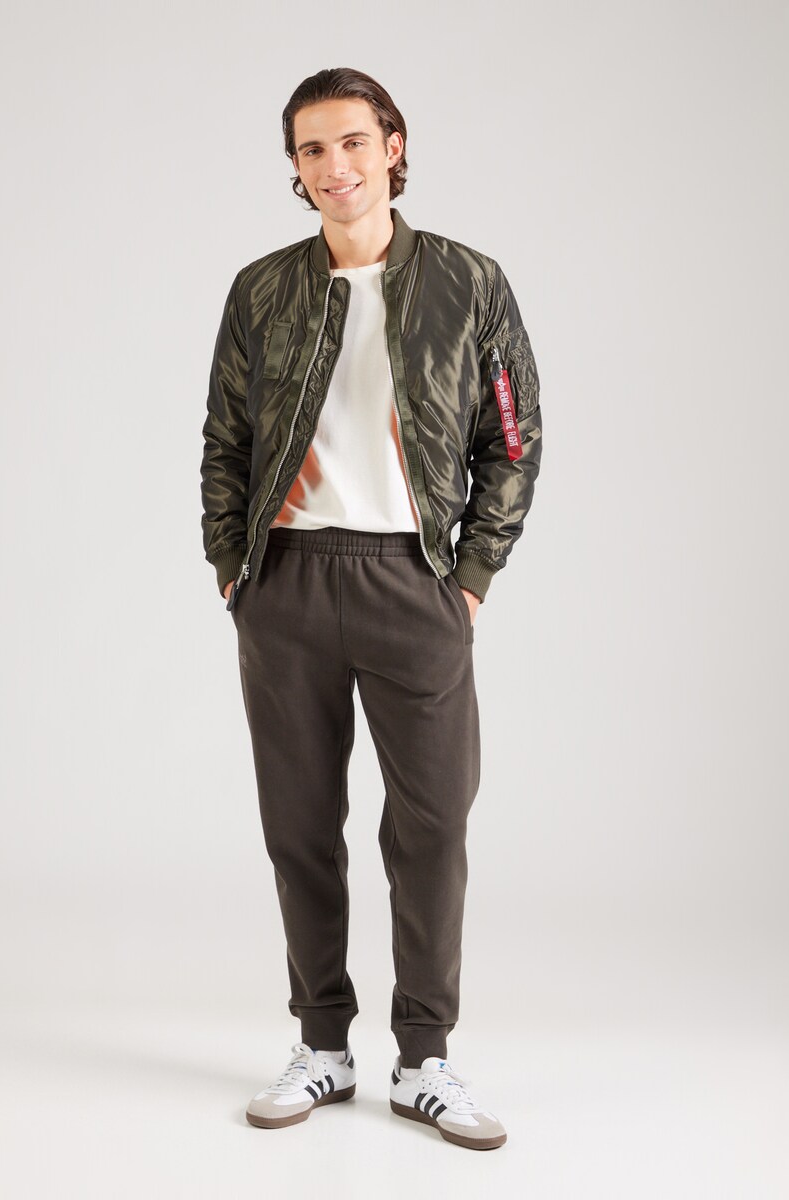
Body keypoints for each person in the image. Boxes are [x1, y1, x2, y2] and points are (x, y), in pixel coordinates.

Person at [200, 66, 542, 1151]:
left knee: (432, 827)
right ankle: (322, 1046)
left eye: (353, 141)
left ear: (393, 146)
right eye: (312, 150)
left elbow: (513, 439)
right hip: (288, 583)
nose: (334, 165)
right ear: (296, 170)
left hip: (413, 580)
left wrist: (472, 576)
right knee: (299, 827)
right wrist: (232, 564)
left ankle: (424, 1058)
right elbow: (225, 440)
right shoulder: (262, 289)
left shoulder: (468, 282)